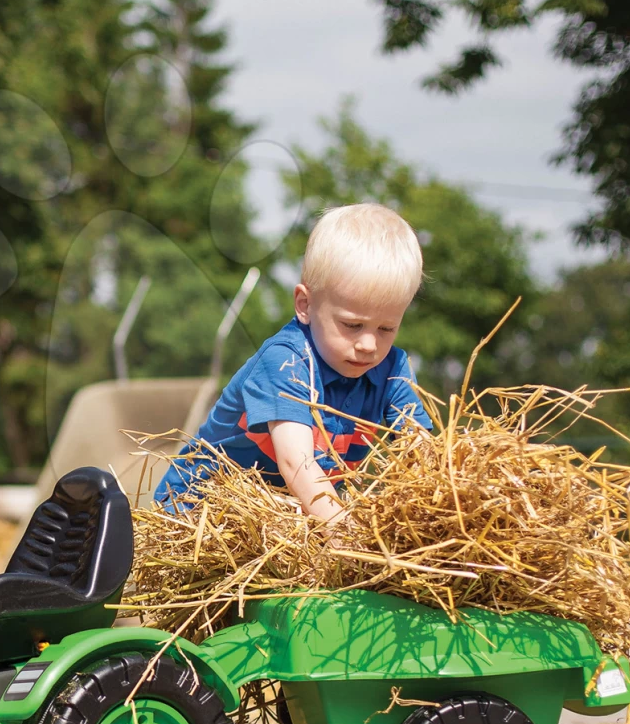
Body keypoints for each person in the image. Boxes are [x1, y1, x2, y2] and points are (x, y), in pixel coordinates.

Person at [154, 202, 431, 520]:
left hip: (286, 517)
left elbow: (419, 452)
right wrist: (347, 534)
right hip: (200, 512)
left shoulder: (392, 369)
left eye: (387, 328)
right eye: (352, 325)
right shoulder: (287, 361)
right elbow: (296, 465)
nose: (369, 345)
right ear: (305, 305)